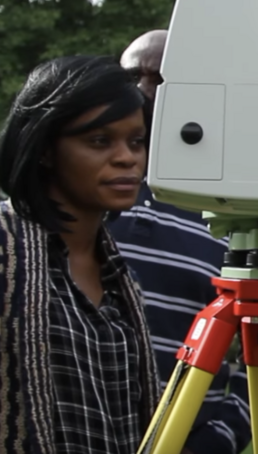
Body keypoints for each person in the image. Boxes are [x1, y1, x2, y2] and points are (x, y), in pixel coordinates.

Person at [107, 29, 258, 454]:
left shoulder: (238, 201)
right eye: (131, 77)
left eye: (161, 78)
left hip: (183, 435)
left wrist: (226, 430)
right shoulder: (86, 183)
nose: (143, 90)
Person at [0, 55, 161, 453]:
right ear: (45, 149)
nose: (127, 158)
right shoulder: (7, 253)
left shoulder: (122, 280)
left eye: (136, 141)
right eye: (99, 141)